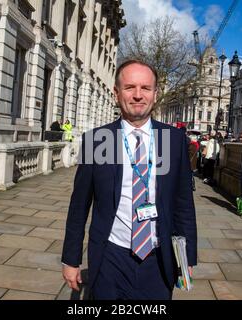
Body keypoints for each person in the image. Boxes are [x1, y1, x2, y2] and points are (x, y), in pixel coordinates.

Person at [61, 60, 197, 300]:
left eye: (145, 88)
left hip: (159, 258)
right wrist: (71, 260)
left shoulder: (174, 140)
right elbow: (78, 206)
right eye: (129, 87)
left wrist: (188, 258)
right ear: (116, 93)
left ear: (155, 94)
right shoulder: (98, 140)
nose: (137, 95)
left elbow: (183, 203)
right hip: (110, 257)